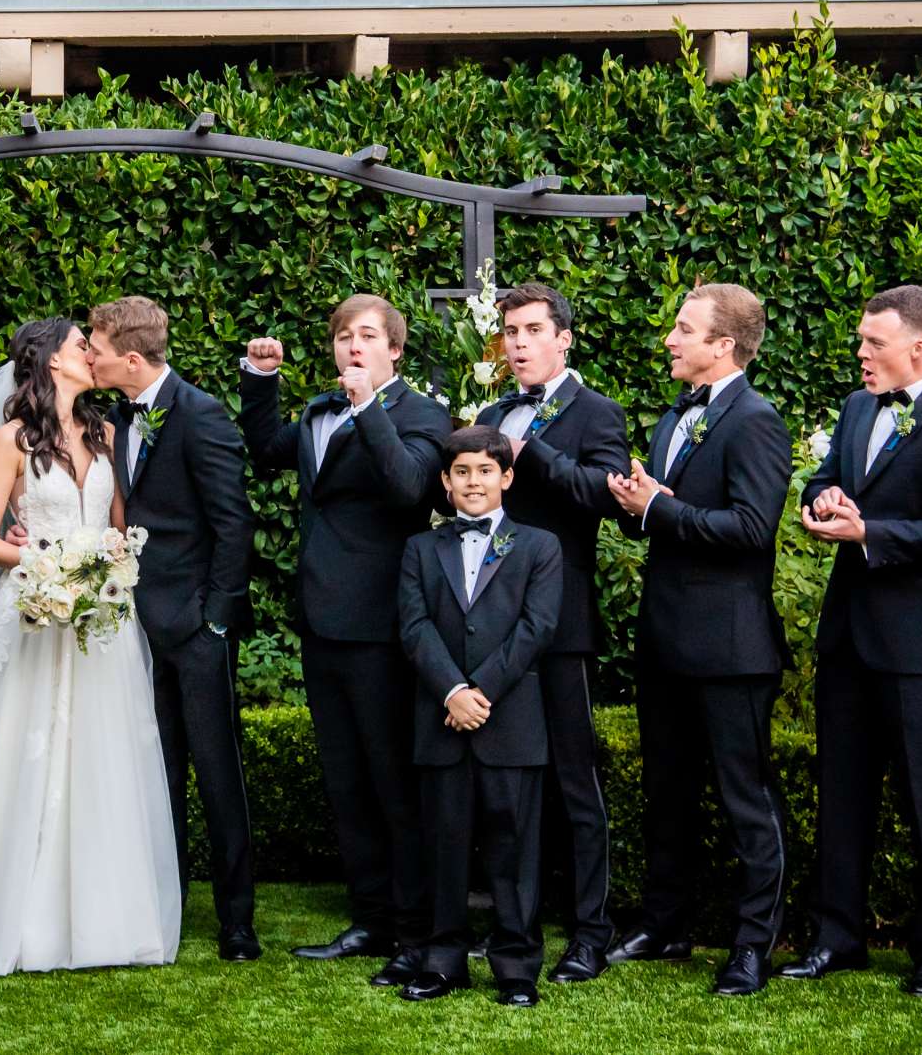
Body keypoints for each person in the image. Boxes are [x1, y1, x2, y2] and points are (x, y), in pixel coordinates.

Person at [0, 318, 182, 973]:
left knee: (100, 762)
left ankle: (102, 920)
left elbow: (117, 529)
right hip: (30, 616)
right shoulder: (10, 441)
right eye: (82, 344)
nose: (92, 352)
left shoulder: (106, 434)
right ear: (51, 361)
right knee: (11, 764)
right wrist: (42, 566)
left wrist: (108, 567)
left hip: (99, 624)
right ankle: (0, 913)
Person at [784, 285, 922, 996]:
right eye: (861, 340)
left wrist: (871, 531)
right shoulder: (854, 409)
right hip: (848, 635)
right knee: (841, 793)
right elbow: (828, 476)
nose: (861, 353)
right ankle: (837, 937)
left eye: (873, 343)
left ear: (920, 347)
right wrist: (827, 498)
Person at [239, 296, 448, 985]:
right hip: (322, 621)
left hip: (385, 627)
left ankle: (414, 929)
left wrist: (369, 410)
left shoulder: (420, 415)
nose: (351, 347)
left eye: (366, 336)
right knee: (346, 779)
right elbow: (270, 451)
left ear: (394, 350)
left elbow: (410, 488)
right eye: (341, 337)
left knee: (393, 780)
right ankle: (369, 915)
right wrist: (261, 381)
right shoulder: (319, 411)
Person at [605, 283, 793, 996]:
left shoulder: (756, 421)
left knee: (745, 798)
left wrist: (663, 506)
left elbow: (751, 529)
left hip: (731, 646)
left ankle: (753, 946)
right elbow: (664, 516)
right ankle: (665, 922)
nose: (669, 340)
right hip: (666, 639)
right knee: (668, 791)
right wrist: (638, 503)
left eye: (683, 329)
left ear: (723, 346)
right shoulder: (675, 415)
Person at [89, 295, 262, 962]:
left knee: (218, 774)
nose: (90, 355)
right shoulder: (109, 417)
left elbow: (232, 522)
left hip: (193, 628)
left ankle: (237, 921)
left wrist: (215, 621)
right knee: (152, 772)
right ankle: (161, 906)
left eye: (98, 347)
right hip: (131, 627)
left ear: (131, 358)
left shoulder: (201, 414)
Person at [474, 282, 630, 984]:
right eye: (510, 331)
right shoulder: (490, 411)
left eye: (532, 329)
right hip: (494, 627)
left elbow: (601, 496)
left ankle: (591, 933)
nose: (518, 343)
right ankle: (513, 923)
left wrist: (528, 451)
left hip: (561, 626)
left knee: (574, 785)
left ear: (563, 338)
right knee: (509, 787)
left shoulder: (597, 412)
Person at [395, 426, 564, 1007]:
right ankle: (443, 960)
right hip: (442, 719)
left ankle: (516, 964)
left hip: (510, 721)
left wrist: (480, 691)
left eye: (485, 471)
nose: (474, 482)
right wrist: (451, 692)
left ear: (506, 477)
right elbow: (414, 627)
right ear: (445, 482)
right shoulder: (421, 549)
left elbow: (537, 628)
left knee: (513, 848)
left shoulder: (539, 546)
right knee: (444, 843)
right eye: (462, 472)